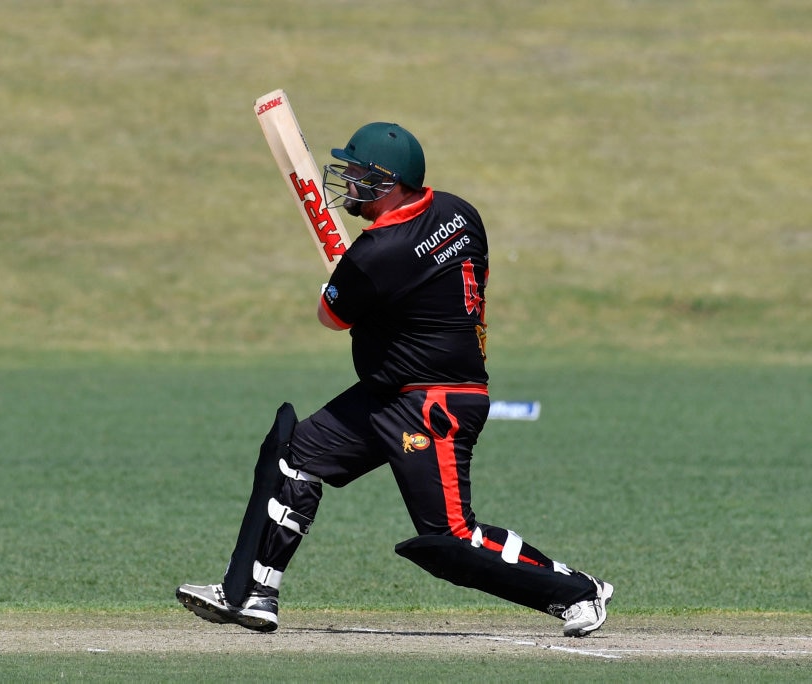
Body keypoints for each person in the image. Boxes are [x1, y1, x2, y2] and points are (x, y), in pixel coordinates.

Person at [176, 122, 613, 637]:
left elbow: (330, 317)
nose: (350, 183)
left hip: (435, 404)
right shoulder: (458, 212)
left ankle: (579, 592)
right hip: (393, 389)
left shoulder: (375, 255)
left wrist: (343, 288)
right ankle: (254, 593)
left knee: (451, 536)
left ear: (393, 184)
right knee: (297, 456)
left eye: (361, 175)